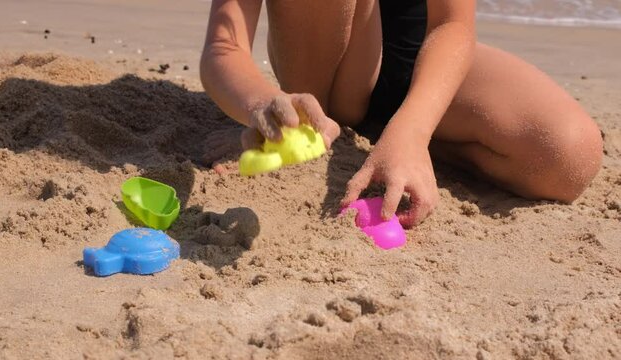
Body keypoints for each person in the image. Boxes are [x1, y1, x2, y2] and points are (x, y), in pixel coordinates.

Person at [199, 0, 603, 227]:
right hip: (323, 66)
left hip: (422, 55)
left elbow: (451, 25)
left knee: (569, 154)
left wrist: (412, 132)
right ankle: (296, 130)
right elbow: (224, 45)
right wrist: (260, 104)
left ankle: (396, 139)